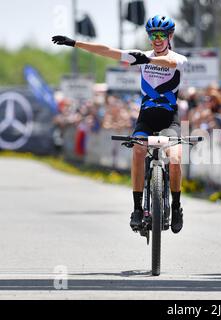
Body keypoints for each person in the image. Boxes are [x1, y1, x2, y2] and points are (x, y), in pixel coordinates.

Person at [52, 15, 188, 234]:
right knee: (137, 150)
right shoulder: (141, 56)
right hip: (146, 115)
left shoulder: (178, 58)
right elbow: (107, 50)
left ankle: (176, 206)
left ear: (170, 36)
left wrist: (145, 60)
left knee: (175, 157)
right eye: (153, 35)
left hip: (169, 117)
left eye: (162, 35)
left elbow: (170, 63)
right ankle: (136, 208)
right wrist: (75, 43)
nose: (157, 39)